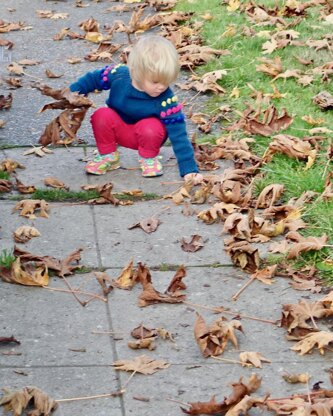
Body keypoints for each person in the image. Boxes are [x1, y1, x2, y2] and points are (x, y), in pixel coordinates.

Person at [69, 34, 203, 182]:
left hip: (148, 136)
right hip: (119, 129)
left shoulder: (166, 100)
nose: (161, 87)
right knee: (101, 115)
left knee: (150, 126)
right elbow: (93, 79)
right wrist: (70, 94)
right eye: (156, 81)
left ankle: (149, 159)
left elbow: (179, 135)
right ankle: (108, 155)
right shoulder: (119, 75)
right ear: (136, 71)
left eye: (167, 81)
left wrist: (189, 169)